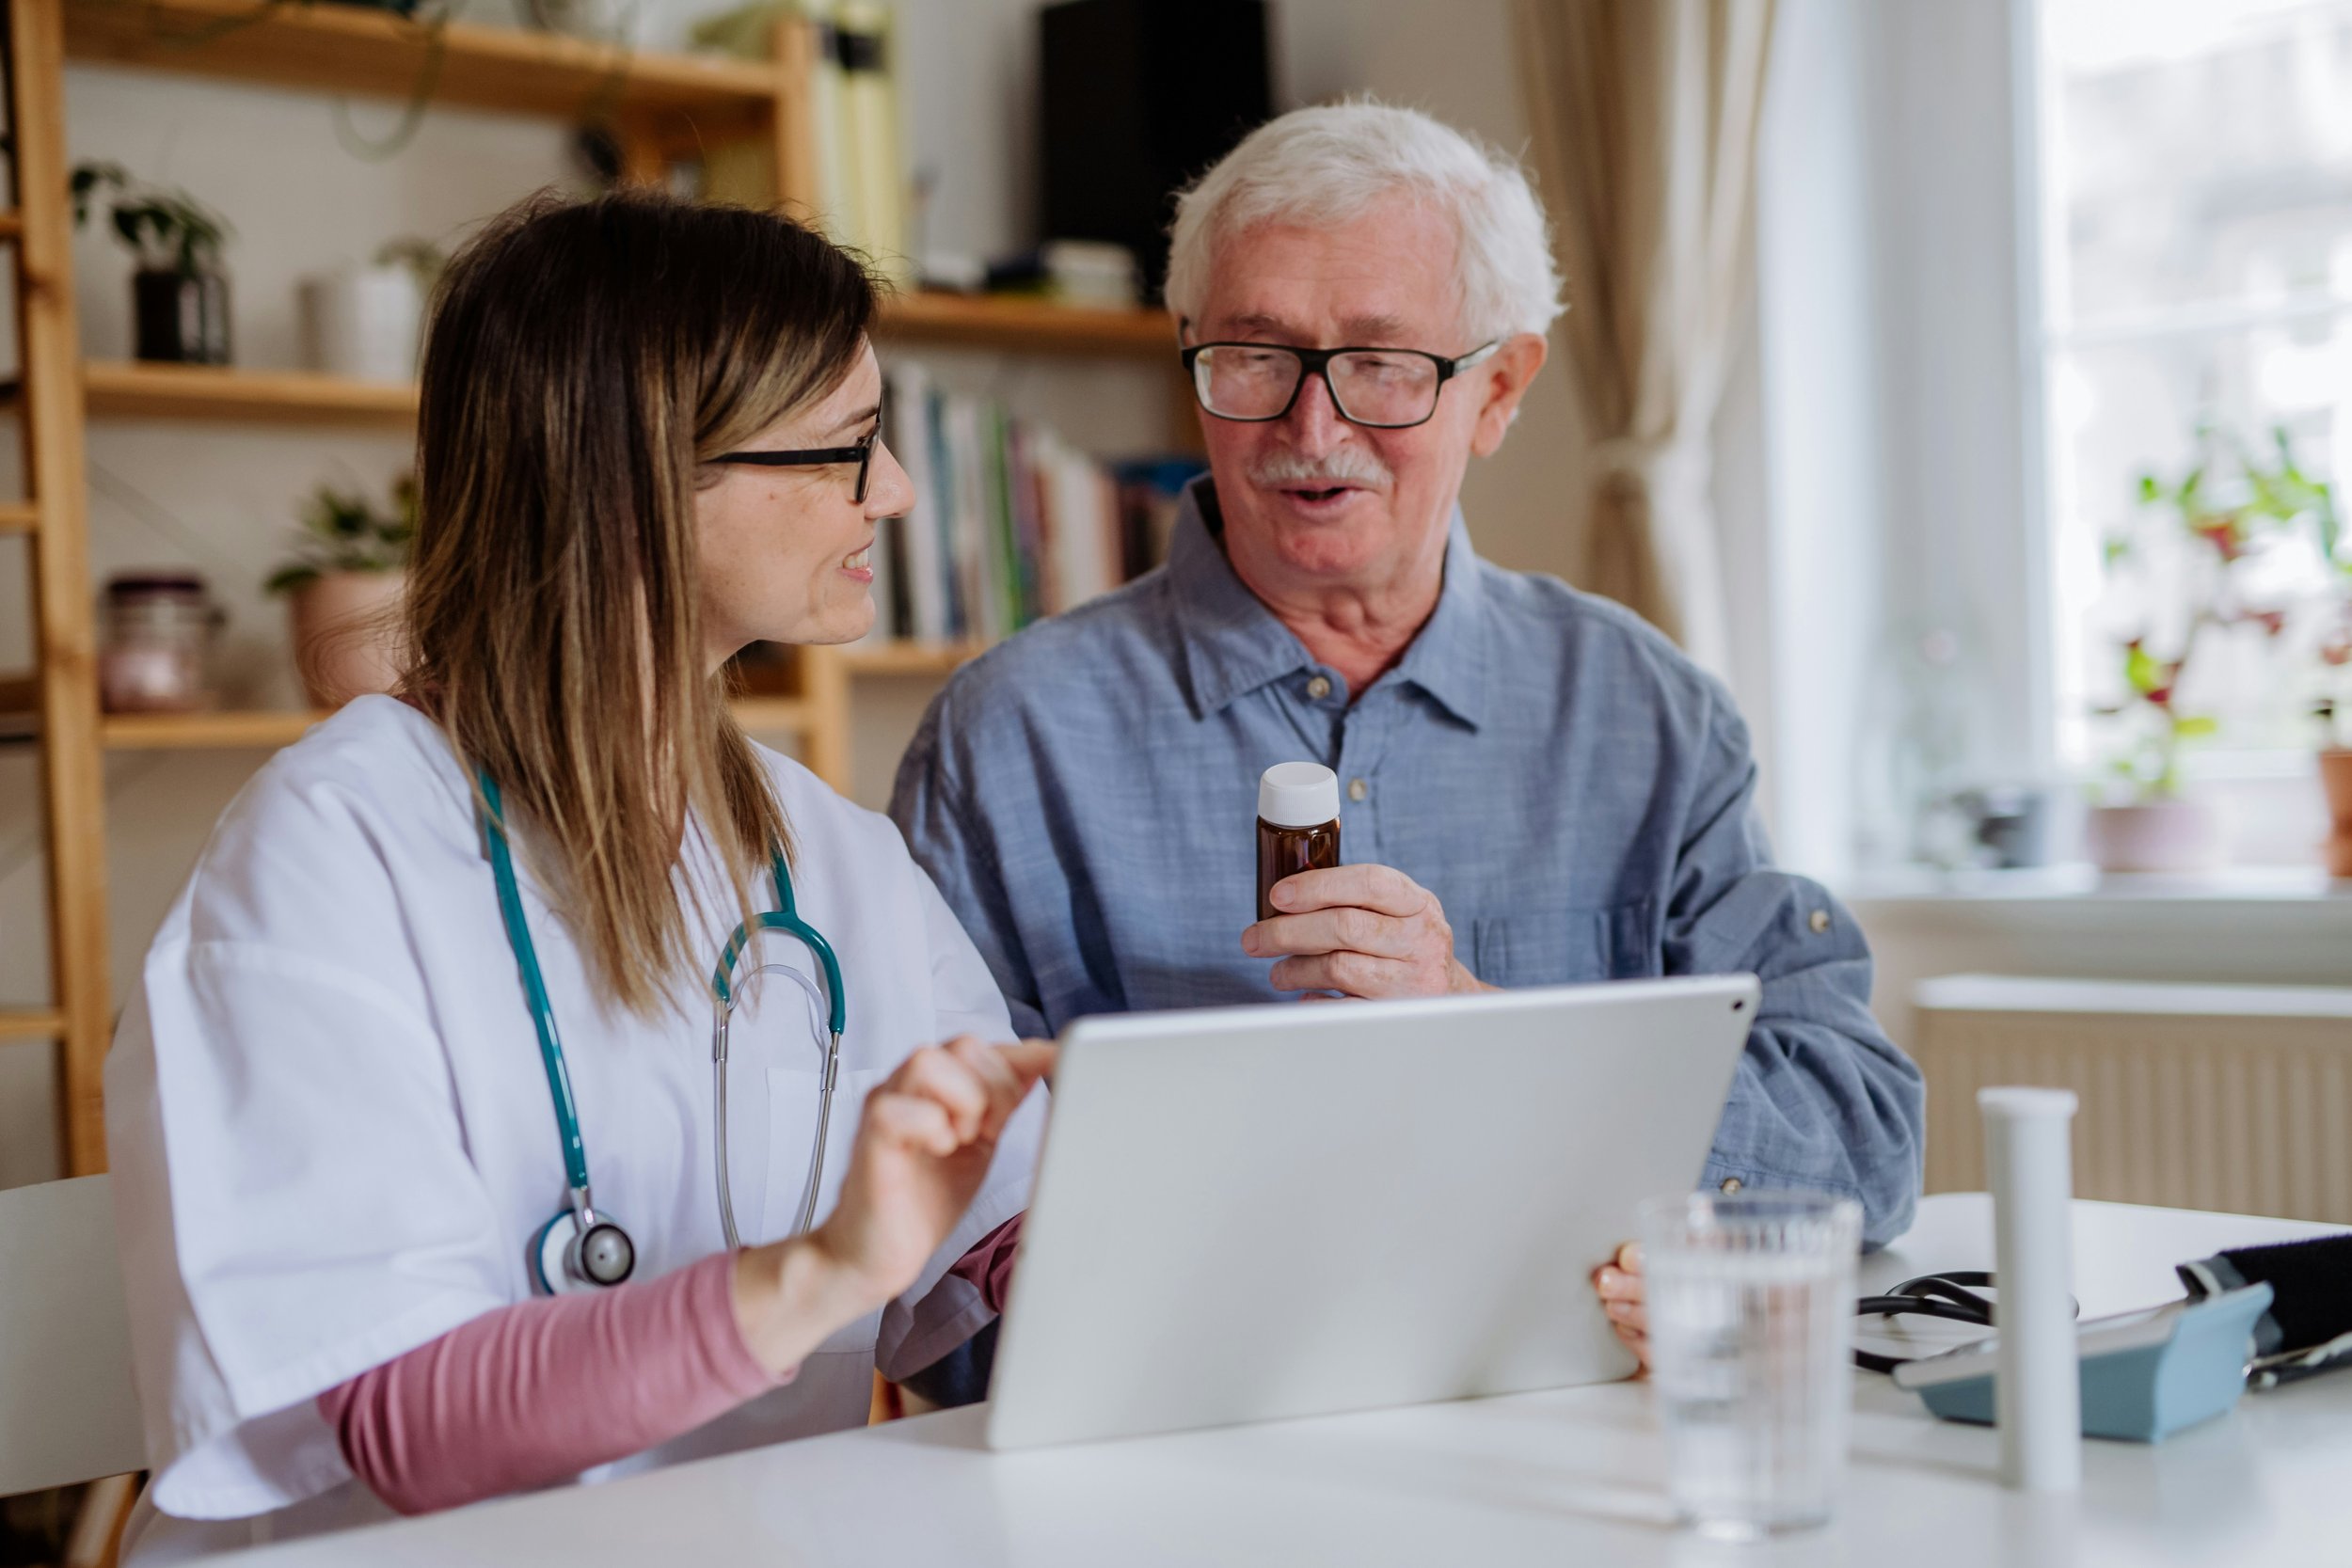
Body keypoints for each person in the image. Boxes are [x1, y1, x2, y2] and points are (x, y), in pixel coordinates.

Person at [891, 103, 1925, 1366]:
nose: (1311, 432)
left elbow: (1862, 1137)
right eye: (1255, 356)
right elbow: (923, 1273)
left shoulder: (1647, 714)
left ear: (1498, 389)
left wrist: (1499, 1036)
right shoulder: (1009, 743)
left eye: (1382, 364)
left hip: (1579, 1447)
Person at [104, 191, 1047, 1560]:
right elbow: (404, 1421)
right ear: (645, 479)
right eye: (848, 449)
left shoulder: (830, 856)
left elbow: (993, 1227)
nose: (893, 492)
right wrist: (824, 1271)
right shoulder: (327, 849)